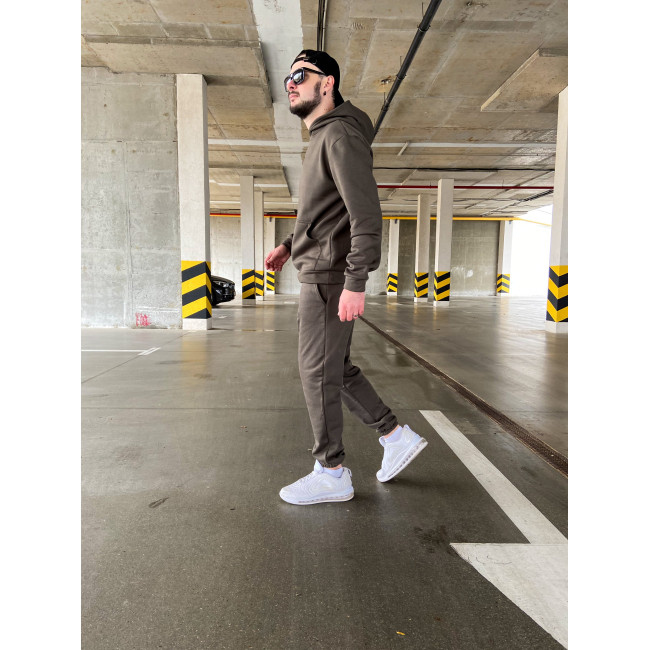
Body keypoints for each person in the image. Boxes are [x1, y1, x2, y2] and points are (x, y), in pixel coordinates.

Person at [264, 49, 427, 506]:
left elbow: (365, 215)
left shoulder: (338, 136)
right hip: (320, 266)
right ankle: (394, 435)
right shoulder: (325, 136)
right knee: (333, 368)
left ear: (327, 82)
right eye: (288, 78)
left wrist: (356, 282)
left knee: (316, 372)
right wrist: (290, 243)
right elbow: (322, 209)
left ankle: (331, 471)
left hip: (329, 276)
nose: (291, 83)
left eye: (301, 75)